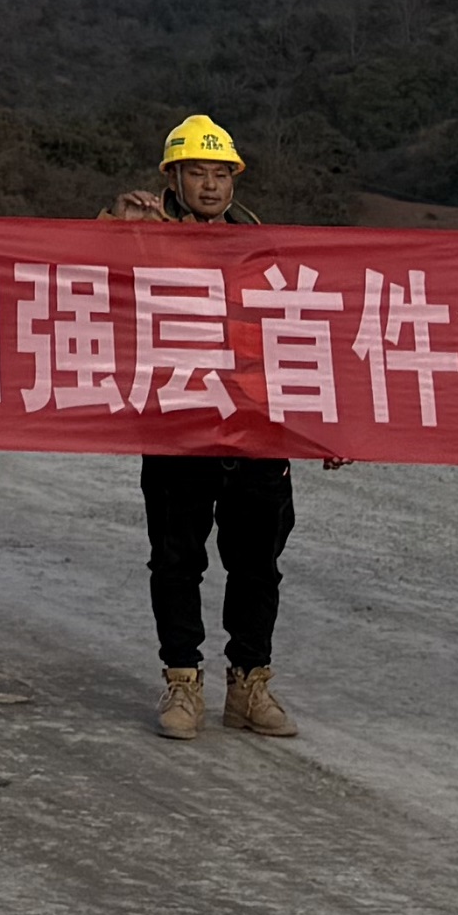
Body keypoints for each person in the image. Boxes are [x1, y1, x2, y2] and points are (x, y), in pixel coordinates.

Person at [108, 110, 318, 742]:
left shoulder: (263, 248)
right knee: (176, 561)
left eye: (220, 173)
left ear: (235, 180)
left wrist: (324, 426)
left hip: (255, 431)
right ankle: (182, 680)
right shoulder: (139, 234)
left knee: (258, 564)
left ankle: (250, 683)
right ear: (171, 176)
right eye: (196, 173)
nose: (209, 186)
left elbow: (298, 337)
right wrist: (110, 228)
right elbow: (78, 283)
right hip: (178, 425)